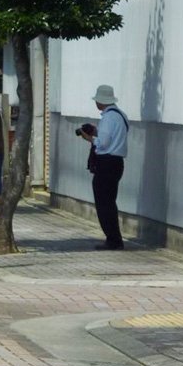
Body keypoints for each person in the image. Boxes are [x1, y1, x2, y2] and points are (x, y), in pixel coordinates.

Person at [80, 85, 129, 251]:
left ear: (101, 101)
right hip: (117, 163)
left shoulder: (108, 118)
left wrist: (90, 138)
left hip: (106, 163)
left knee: (103, 203)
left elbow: (103, 143)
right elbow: (111, 136)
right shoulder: (121, 115)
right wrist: (95, 131)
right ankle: (114, 238)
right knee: (110, 201)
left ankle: (113, 240)